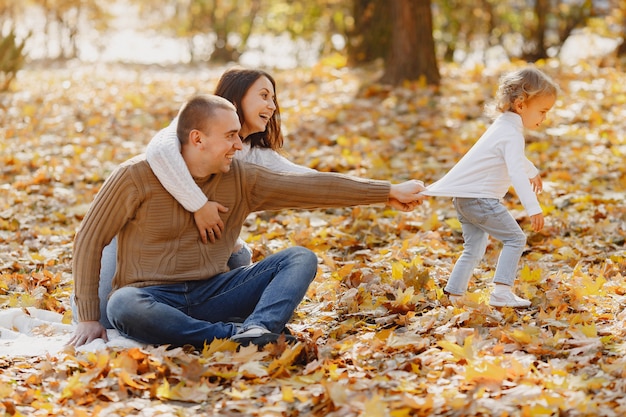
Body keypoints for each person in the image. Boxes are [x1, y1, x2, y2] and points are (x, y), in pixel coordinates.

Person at [69, 94, 427, 350]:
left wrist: (386, 191)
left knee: (299, 257)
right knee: (121, 306)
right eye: (230, 136)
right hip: (151, 296)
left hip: (215, 290)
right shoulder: (135, 176)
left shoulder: (241, 178)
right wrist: (88, 316)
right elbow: (89, 239)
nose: (240, 145)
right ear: (198, 139)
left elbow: (310, 187)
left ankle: (258, 328)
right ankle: (230, 336)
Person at [85, 68, 315, 329]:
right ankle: (216, 328)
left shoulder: (255, 155)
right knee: (110, 315)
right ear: (237, 97)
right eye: (264, 96)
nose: (272, 106)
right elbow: (159, 152)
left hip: (198, 267)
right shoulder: (194, 127)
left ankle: (251, 329)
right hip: (143, 253)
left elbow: (309, 180)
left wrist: (368, 190)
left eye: (274, 98)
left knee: (243, 255)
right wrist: (198, 205)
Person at [423, 66, 558, 308]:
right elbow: (514, 169)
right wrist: (533, 207)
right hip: (480, 200)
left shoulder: (502, 126)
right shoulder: (512, 132)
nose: (544, 118)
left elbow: (511, 158)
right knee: (516, 239)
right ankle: (501, 292)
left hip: (465, 199)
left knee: (474, 247)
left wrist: (533, 171)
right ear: (520, 105)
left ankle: (454, 293)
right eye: (543, 111)